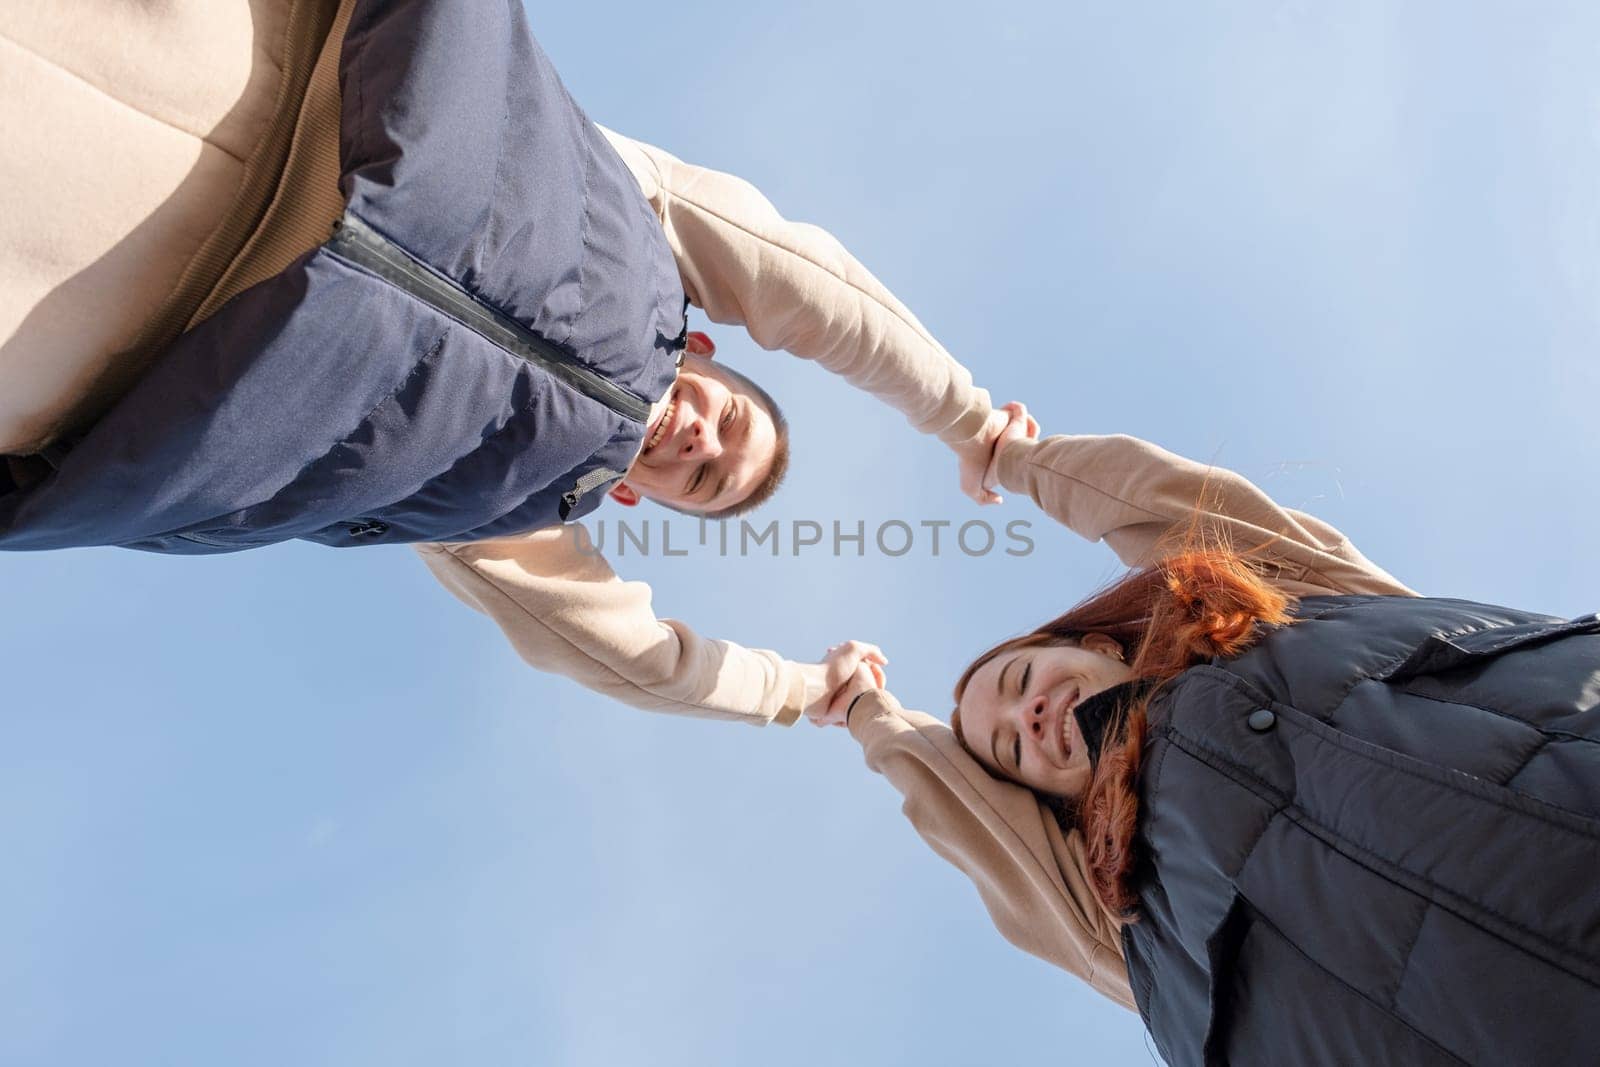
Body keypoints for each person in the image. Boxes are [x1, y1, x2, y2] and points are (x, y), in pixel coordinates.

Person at [0, 0, 1016, 723]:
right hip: (280, 82)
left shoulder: (521, 510)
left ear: (634, 500)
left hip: (126, 329)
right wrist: (965, 420)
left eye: (700, 478)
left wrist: (801, 693)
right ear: (707, 348)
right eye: (729, 421)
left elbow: (642, 659)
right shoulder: (652, 245)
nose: (699, 440)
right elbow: (809, 283)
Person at [842, 423, 1600, 1065]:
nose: (1028, 716)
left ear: (1095, 639)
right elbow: (968, 813)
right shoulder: (1129, 919)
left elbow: (1168, 502)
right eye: (1010, 747)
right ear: (1046, 801)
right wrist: (865, 710)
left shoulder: (1293, 608)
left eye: (1021, 680)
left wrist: (1006, 453)